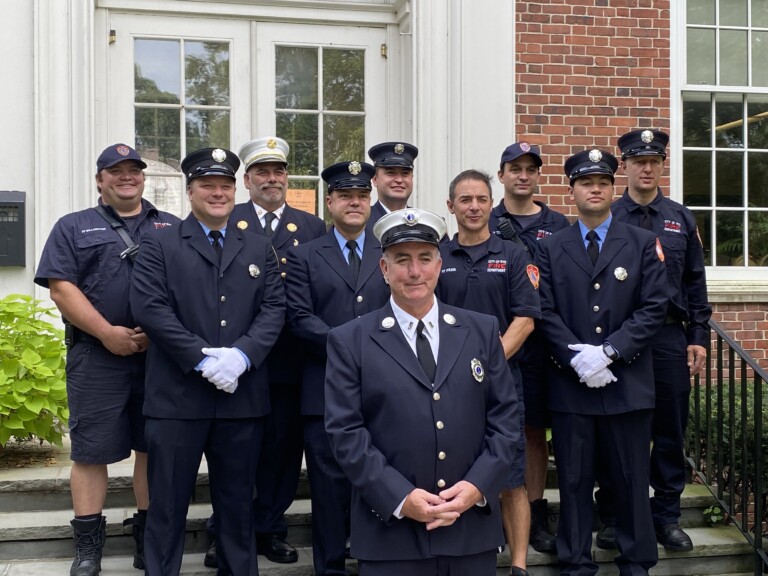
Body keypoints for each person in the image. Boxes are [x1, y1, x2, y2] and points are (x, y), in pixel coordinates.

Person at [324, 207, 521, 576]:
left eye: (425, 259)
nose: (415, 272)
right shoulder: (351, 340)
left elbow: (505, 421)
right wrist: (400, 497)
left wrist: (477, 487)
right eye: (402, 260)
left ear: (438, 263)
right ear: (384, 269)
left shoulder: (480, 330)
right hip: (391, 535)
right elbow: (345, 433)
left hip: (469, 531)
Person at [129, 147, 285, 576]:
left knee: (237, 508)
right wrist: (202, 360)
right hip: (177, 401)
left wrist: (241, 356)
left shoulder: (258, 246)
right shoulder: (159, 242)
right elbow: (150, 308)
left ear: (236, 191)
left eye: (225, 186)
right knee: (167, 507)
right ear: (191, 190)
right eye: (208, 186)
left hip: (241, 400)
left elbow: (274, 309)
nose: (218, 193)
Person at [34, 143, 180, 576]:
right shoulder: (72, 226)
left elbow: (188, 287)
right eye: (115, 171)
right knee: (91, 451)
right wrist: (107, 333)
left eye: (133, 170)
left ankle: (146, 541)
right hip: (96, 357)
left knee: (152, 448)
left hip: (159, 359)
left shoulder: (171, 226)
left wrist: (160, 333)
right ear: (100, 180)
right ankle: (88, 549)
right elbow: (62, 288)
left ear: (143, 177)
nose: (126, 176)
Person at [536, 149, 669, 576]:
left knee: (631, 481)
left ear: (613, 189)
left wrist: (609, 352)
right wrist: (580, 360)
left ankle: (636, 563)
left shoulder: (643, 243)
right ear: (570, 190)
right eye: (585, 183)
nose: (595, 189)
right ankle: (575, 562)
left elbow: (654, 307)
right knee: (573, 483)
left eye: (602, 183)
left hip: (627, 386)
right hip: (572, 388)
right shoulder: (552, 247)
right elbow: (544, 311)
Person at [196, 137, 326, 569]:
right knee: (235, 453)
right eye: (262, 173)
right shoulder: (224, 218)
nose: (272, 180)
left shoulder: (311, 227)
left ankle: (270, 528)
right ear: (247, 180)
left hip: (289, 359)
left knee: (282, 452)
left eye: (279, 172)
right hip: (239, 359)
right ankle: (225, 533)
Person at [593, 129, 711, 552]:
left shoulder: (681, 218)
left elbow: (695, 283)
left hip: (666, 338)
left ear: (663, 165)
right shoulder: (609, 216)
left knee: (669, 431)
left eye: (654, 161)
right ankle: (613, 514)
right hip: (619, 339)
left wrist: (697, 336)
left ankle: (666, 516)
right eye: (638, 161)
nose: (647, 168)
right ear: (623, 165)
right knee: (615, 428)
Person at [285, 160, 391, 575]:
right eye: (346, 195)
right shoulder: (305, 256)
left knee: (378, 481)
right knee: (328, 488)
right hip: (323, 390)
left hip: (384, 389)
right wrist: (349, 348)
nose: (355, 203)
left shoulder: (391, 251)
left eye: (362, 196)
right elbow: (298, 317)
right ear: (329, 201)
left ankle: (374, 562)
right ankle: (329, 567)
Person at [437, 169, 540, 576]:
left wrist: (485, 363)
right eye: (465, 200)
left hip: (502, 385)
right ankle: (465, 555)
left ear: (490, 204)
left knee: (511, 476)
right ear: (451, 207)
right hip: (447, 385)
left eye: (481, 199)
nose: (474, 207)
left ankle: (518, 565)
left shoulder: (514, 254)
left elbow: (526, 320)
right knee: (457, 471)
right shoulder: (437, 256)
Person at [491, 142, 569, 555]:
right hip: (492, 346)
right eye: (514, 168)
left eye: (530, 169)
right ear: (501, 174)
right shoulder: (483, 218)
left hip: (541, 348)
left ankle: (535, 512)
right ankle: (491, 514)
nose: (523, 175)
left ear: (538, 176)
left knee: (534, 432)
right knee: (490, 431)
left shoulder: (559, 225)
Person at [367, 141, 418, 226]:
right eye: (391, 173)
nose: (399, 180)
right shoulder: (361, 223)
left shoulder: (424, 223)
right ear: (375, 179)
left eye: (405, 173)